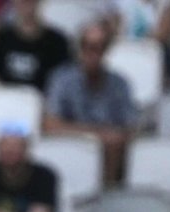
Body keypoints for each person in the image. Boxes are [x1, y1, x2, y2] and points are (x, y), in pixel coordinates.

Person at [43, 21, 138, 187]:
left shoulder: (120, 84)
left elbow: (131, 129)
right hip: (70, 148)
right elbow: (50, 125)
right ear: (79, 49)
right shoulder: (61, 79)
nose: (92, 53)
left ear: (106, 50)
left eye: (99, 47)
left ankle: (108, 197)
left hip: (110, 154)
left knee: (116, 143)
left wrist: (109, 138)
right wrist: (97, 136)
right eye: (87, 46)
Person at [0, 0, 72, 92]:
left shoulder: (57, 42)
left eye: (31, 1)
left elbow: (63, 81)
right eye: (23, 1)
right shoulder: (0, 39)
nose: (27, 4)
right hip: (6, 100)